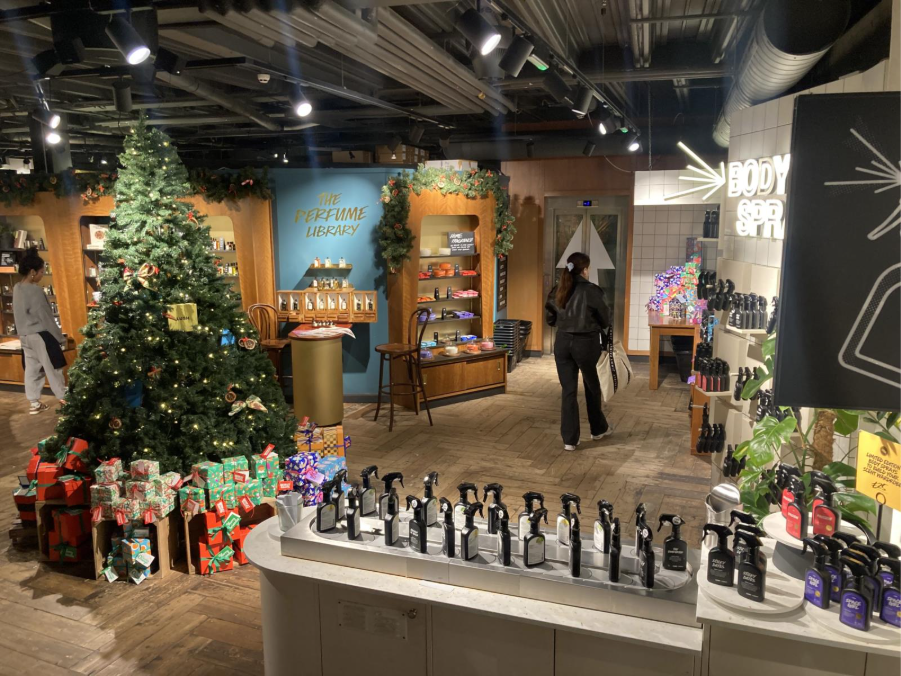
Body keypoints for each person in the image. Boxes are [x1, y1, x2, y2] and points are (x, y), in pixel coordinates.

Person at [545, 252, 613, 451]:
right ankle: (598, 430)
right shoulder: (593, 291)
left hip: (563, 342)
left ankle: (570, 440)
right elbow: (605, 320)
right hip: (587, 343)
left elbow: (550, 319)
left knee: (568, 391)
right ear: (584, 270)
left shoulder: (558, 290)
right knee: (592, 387)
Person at [12, 247, 67, 413]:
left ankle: (34, 403)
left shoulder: (17, 288)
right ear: (32, 272)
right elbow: (46, 317)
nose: (42, 275)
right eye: (41, 272)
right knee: (54, 368)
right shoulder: (35, 290)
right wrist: (60, 338)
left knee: (32, 370)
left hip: (25, 336)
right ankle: (64, 400)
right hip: (41, 335)